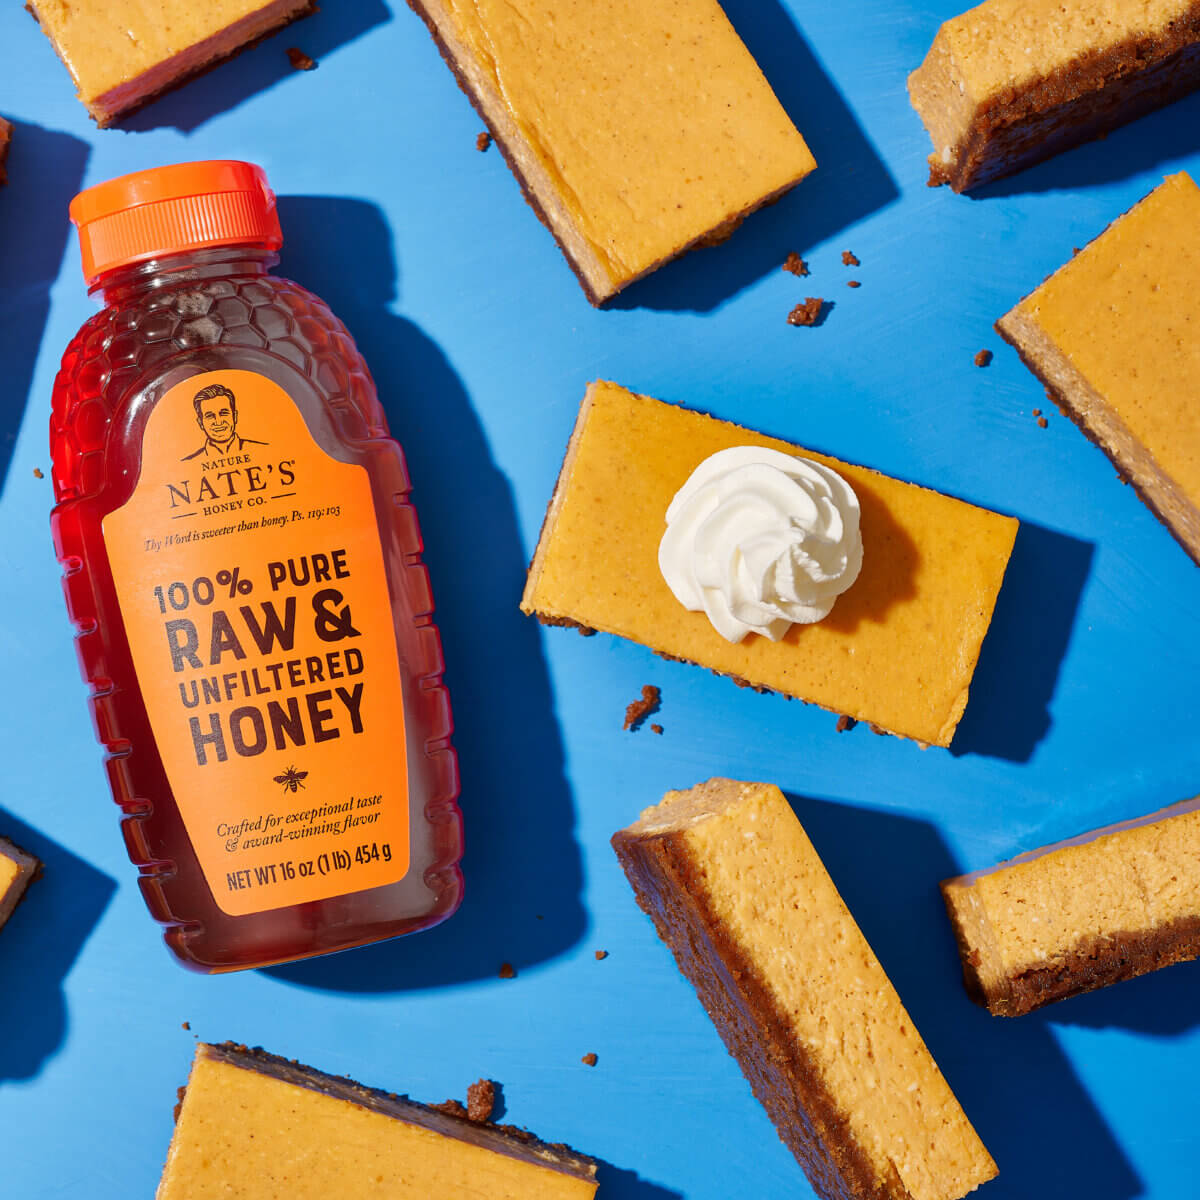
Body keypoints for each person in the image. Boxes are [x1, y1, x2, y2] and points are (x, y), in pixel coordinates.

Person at [183, 383, 266, 460]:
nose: (218, 422)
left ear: (235, 416)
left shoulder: (264, 450)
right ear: (200, 423)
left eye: (223, 413)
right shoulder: (189, 463)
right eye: (210, 416)